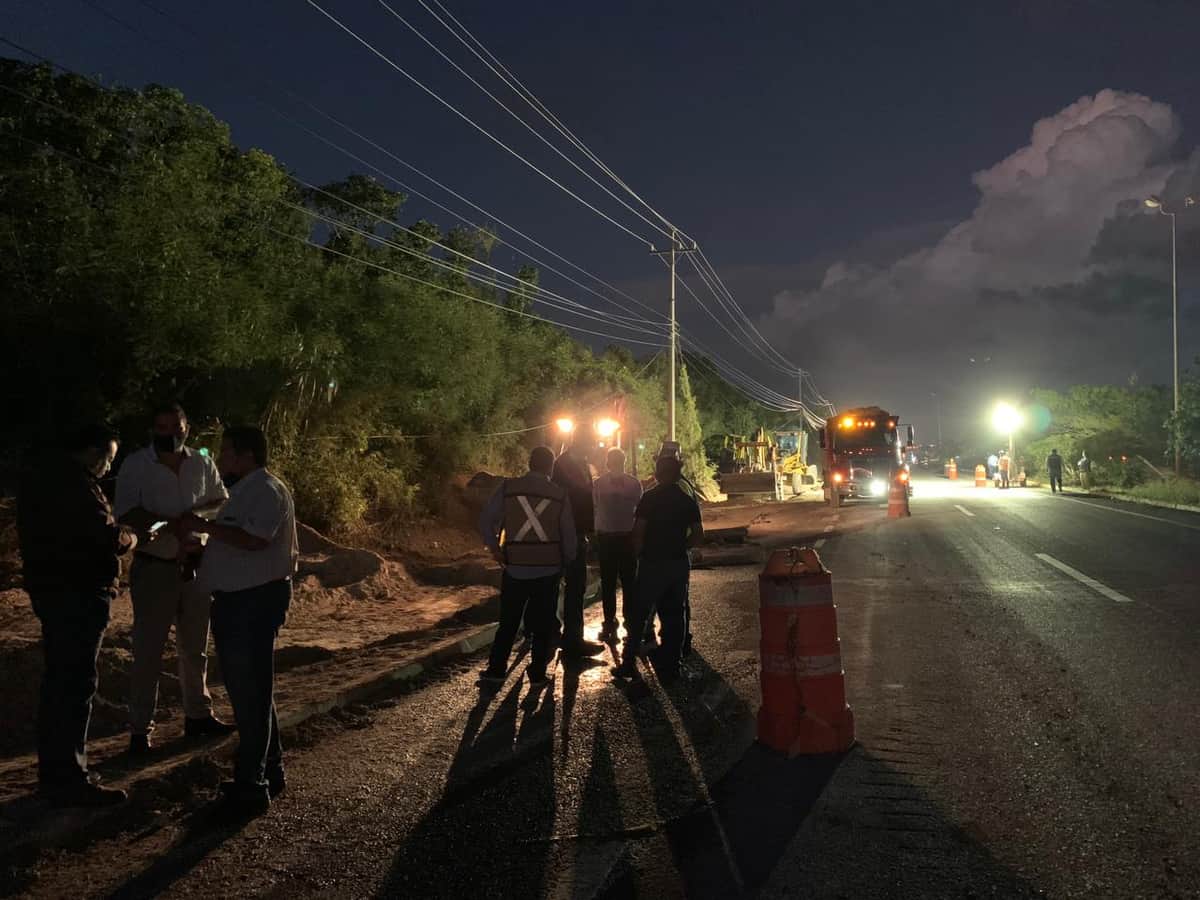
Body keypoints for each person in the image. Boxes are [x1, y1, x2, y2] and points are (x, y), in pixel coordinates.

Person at [17, 424, 137, 807]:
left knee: (58, 683)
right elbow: (103, 536)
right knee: (75, 684)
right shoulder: (76, 487)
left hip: (53, 592)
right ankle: (70, 775)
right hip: (80, 595)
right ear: (92, 451)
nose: (108, 467)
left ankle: (56, 771)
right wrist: (131, 537)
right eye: (108, 458)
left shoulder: (41, 479)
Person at [186, 426, 297, 819]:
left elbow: (254, 540)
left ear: (247, 455)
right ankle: (270, 768)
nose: (221, 461)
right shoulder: (244, 493)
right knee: (253, 692)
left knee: (249, 692)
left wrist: (202, 528)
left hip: (252, 603)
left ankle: (251, 785)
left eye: (226, 453)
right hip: (239, 601)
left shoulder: (266, 491)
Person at [114, 402, 232, 754]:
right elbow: (126, 512)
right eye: (162, 427)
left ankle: (198, 714)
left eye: (175, 427)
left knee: (194, 648)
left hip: (196, 564)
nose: (170, 434)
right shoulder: (136, 464)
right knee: (148, 651)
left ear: (187, 428)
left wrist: (191, 520)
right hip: (155, 566)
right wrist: (168, 525)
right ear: (154, 430)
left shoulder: (201, 461)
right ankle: (140, 731)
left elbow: (219, 501)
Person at [478, 446, 577, 687]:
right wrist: (568, 560)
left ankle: (496, 669)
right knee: (543, 623)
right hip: (548, 569)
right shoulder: (559, 495)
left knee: (509, 621)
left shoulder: (508, 488)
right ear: (550, 467)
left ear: (529, 463)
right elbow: (569, 536)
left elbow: (486, 520)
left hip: (514, 567)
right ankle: (537, 673)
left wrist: (495, 549)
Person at [613, 452, 704, 682]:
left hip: (651, 563)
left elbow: (638, 532)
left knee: (639, 614)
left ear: (657, 473)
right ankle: (672, 665)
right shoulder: (686, 501)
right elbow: (698, 534)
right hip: (677, 563)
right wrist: (682, 548)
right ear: (678, 473)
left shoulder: (649, 498)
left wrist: (638, 556)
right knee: (675, 615)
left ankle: (628, 662)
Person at [552, 439, 606, 662]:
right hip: (568, 534)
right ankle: (570, 639)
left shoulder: (573, 463)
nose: (594, 448)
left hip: (572, 532)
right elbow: (577, 500)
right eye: (591, 443)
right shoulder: (566, 466)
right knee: (573, 586)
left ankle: (561, 635)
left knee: (570, 586)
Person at [592, 447, 642, 644]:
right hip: (628, 538)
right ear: (624, 461)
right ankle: (631, 623)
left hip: (606, 538)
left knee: (608, 583)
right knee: (630, 583)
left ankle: (609, 624)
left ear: (607, 462)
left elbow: (594, 507)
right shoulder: (634, 484)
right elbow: (641, 511)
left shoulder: (598, 484)